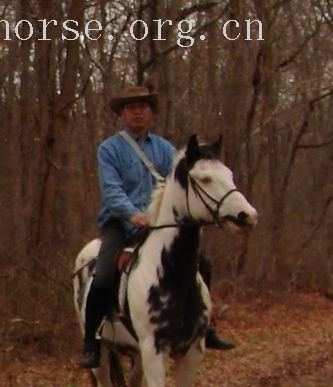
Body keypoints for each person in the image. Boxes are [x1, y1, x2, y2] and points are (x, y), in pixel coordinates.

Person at [80, 85, 235, 369]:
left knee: (203, 263)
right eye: (131, 107)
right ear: (123, 114)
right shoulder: (109, 149)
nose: (137, 111)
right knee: (102, 276)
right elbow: (112, 191)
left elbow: (176, 188)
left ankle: (206, 327)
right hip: (121, 224)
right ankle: (92, 339)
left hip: (159, 225)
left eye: (142, 106)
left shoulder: (165, 149)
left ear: (150, 111)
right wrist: (133, 214)